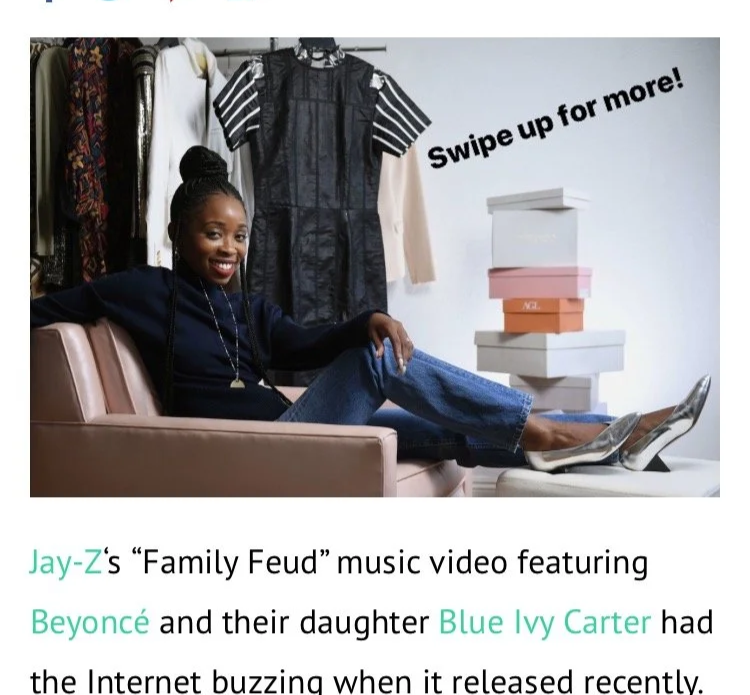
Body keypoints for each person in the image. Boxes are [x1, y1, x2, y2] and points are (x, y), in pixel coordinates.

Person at [30, 147, 710, 474]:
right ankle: (557, 435)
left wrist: (366, 318)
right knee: (379, 361)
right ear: (178, 235)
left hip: (299, 423)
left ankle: (620, 430)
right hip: (272, 441)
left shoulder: (246, 306)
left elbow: (303, 343)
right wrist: (371, 341)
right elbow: (43, 307)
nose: (229, 247)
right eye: (213, 233)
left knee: (444, 426)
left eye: (239, 234)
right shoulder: (142, 290)